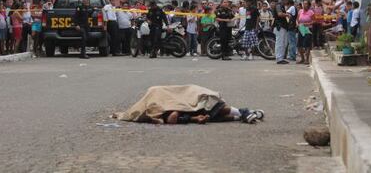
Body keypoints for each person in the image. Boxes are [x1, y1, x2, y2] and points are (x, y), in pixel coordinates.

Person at [113, 85, 264, 125]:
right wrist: (195, 119)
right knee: (210, 116)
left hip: (183, 96)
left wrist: (193, 117)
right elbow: (172, 118)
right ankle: (244, 115)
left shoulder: (156, 98)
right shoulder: (159, 115)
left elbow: (175, 97)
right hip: (183, 110)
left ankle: (243, 112)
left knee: (210, 107)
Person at [272, 0, 290, 65]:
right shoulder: (278, 5)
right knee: (280, 43)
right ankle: (279, 58)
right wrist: (287, 15)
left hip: (282, 27)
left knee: (283, 43)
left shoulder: (281, 5)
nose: (287, 2)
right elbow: (279, 14)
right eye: (286, 0)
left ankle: (281, 58)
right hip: (279, 27)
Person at [297, 0, 314, 65]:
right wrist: (298, 24)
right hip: (301, 28)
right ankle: (302, 58)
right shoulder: (300, 11)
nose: (304, 5)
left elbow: (314, 21)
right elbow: (298, 19)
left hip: (308, 29)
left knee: (307, 45)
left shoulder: (311, 12)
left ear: (309, 5)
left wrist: (308, 24)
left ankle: (307, 59)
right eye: (303, 4)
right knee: (299, 45)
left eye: (306, 4)